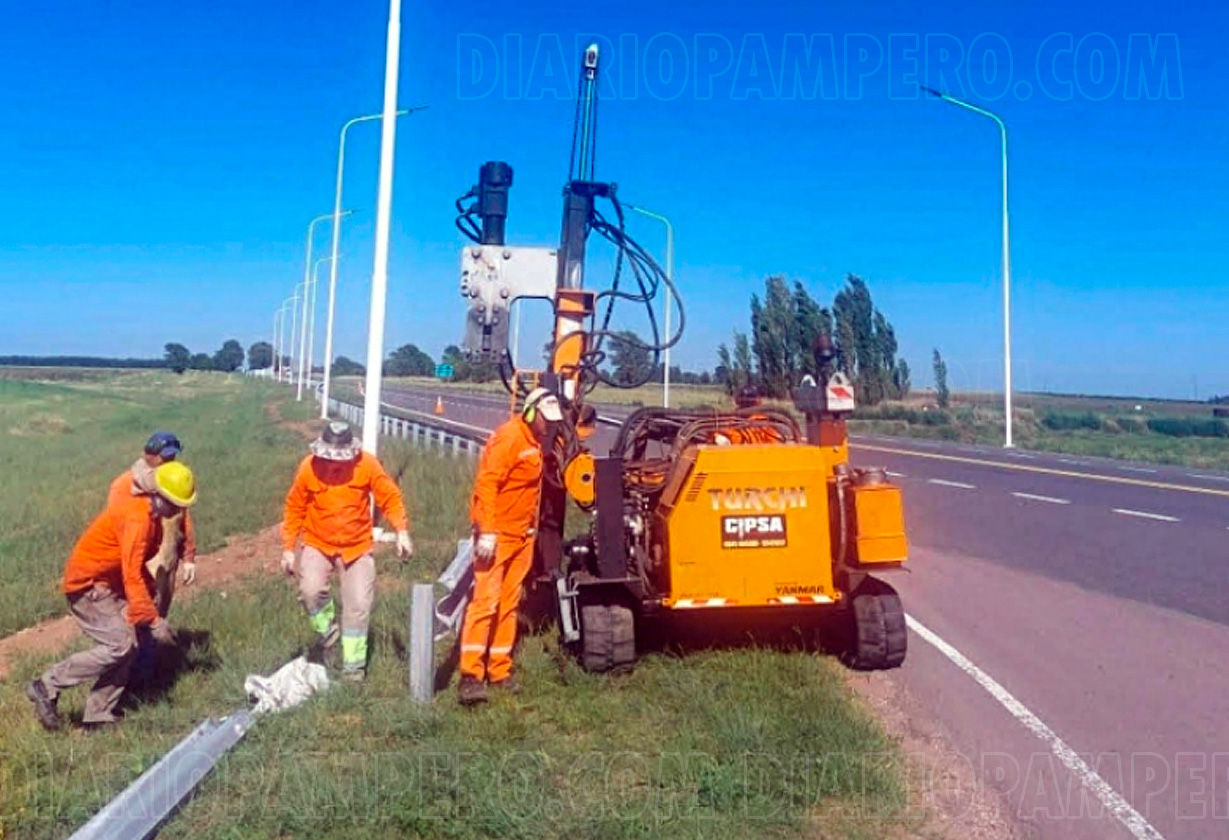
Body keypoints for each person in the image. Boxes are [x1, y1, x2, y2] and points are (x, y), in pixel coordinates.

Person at [25, 462, 198, 731]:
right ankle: (46, 685)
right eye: (175, 504)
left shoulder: (150, 514)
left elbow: (137, 568)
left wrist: (148, 605)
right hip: (86, 586)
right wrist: (152, 619)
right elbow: (132, 573)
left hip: (107, 585)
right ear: (159, 494)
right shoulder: (139, 518)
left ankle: (98, 715)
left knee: (131, 643)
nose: (178, 511)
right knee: (120, 645)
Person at [281, 421, 412, 682]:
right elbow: (294, 507)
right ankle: (329, 634)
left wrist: (401, 530)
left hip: (357, 547)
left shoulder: (368, 465)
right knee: (310, 591)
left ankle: (353, 669)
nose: (335, 464)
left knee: (358, 606)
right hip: (318, 542)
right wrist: (288, 549)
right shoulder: (308, 467)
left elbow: (389, 496)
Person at [458, 387, 561, 706]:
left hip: (521, 536)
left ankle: (499, 670)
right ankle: (471, 677)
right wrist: (487, 531)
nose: (549, 425)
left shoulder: (535, 441)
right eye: (546, 419)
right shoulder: (510, 437)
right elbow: (487, 483)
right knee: (485, 603)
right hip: (497, 537)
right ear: (531, 413)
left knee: (509, 603)